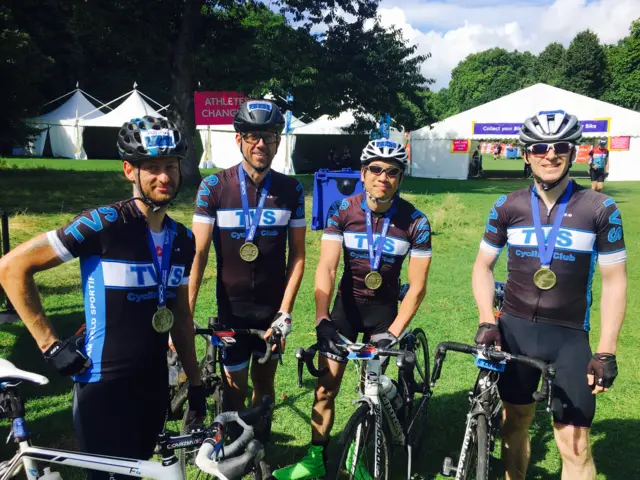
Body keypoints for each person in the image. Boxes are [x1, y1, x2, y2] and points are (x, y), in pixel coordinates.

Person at [0, 116, 206, 479]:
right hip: (103, 385)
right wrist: (50, 346)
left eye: (171, 166)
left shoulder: (183, 239)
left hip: (153, 383)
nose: (164, 177)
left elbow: (181, 316)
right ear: (130, 170)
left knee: (140, 471)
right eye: (152, 167)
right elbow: (12, 268)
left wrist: (196, 381)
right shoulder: (103, 223)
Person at [472, 110, 627, 480]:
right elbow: (482, 267)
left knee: (573, 443)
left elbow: (615, 281)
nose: (550, 154)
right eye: (540, 147)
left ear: (573, 153)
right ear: (527, 154)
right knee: (514, 424)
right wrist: (485, 318)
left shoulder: (599, 208)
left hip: (570, 336)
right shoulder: (507, 206)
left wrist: (606, 349)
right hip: (514, 330)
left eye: (560, 147)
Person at [274, 138, 432, 480]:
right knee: (325, 389)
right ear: (363, 174)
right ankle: (316, 457)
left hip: (384, 316)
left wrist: (395, 332)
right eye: (375, 169)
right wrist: (321, 319)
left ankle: (361, 456)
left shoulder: (415, 221)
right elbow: (327, 268)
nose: (383, 177)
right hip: (345, 311)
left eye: (392, 172)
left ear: (400, 178)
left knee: (370, 392)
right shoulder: (342, 211)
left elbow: (417, 287)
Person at [190, 99, 306, 444]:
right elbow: (198, 255)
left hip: (271, 312)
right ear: (238, 139)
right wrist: (186, 311)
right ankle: (234, 444)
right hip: (231, 312)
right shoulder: (215, 187)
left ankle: (257, 441)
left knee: (265, 385)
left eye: (268, 137)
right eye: (252, 136)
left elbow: (297, 256)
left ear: (278, 142)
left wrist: (285, 311)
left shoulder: (291, 189)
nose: (260, 144)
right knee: (234, 390)